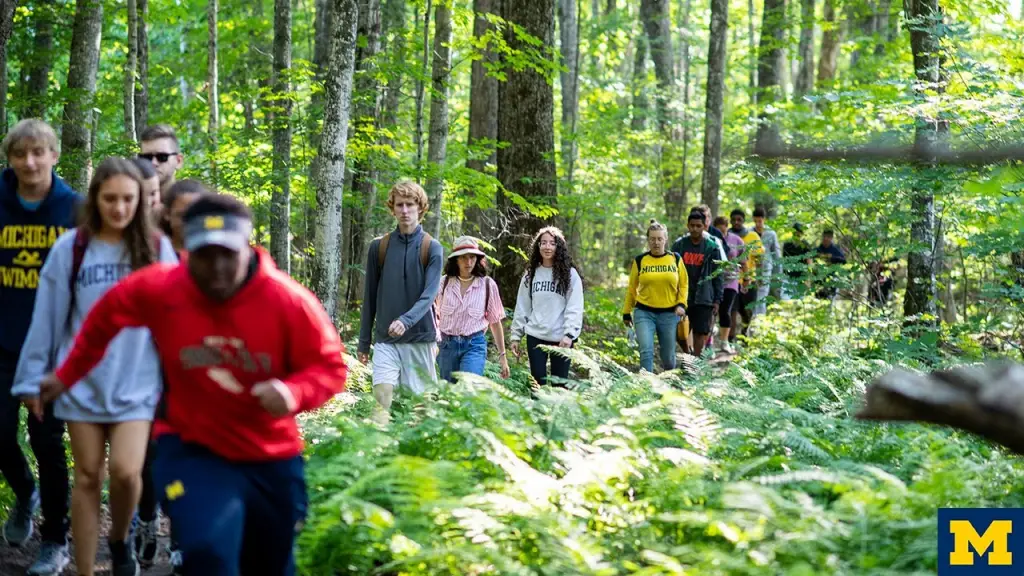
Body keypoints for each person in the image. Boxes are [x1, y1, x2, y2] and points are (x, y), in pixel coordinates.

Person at [35, 193, 348, 575]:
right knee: (208, 552)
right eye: (204, 254)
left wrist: (293, 392)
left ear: (247, 247)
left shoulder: (287, 301)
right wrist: (64, 375)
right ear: (187, 251)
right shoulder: (161, 288)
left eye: (226, 254)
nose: (216, 267)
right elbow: (104, 321)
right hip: (191, 449)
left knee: (272, 565)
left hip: (270, 457)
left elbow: (330, 367)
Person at [14, 158, 177, 576]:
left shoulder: (157, 248)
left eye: (127, 199)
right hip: (81, 382)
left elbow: (179, 316)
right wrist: (32, 379)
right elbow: (46, 319)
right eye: (110, 199)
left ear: (140, 201)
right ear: (95, 199)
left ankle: (120, 539)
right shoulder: (71, 248)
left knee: (126, 472)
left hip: (138, 381)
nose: (119, 208)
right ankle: (85, 570)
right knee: (87, 476)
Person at [0, 119, 78, 575]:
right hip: (3, 343)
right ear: (10, 157)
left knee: (47, 442)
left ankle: (55, 539)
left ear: (54, 156)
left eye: (38, 152)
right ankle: (24, 492)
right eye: (19, 153)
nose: (29, 162)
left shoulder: (75, 209)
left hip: (53, 348)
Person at [358, 181, 443, 424]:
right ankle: (378, 454)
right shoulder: (379, 247)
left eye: (410, 205)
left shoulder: (432, 247)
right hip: (386, 340)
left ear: (420, 208)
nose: (404, 210)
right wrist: (364, 342)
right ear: (392, 209)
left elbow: (429, 295)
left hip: (420, 339)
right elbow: (370, 297)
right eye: (399, 205)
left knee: (421, 410)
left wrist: (406, 321)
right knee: (381, 400)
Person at [509, 226, 584, 386]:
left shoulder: (570, 275)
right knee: (537, 385)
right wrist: (516, 335)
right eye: (543, 243)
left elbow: (575, 306)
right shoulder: (531, 274)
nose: (547, 247)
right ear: (538, 246)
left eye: (552, 243)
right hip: (535, 336)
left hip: (561, 338)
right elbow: (522, 306)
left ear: (559, 246)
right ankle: (537, 412)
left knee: (560, 386)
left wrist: (570, 334)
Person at [434, 236, 510, 382]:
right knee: (449, 394)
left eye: (472, 257)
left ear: (477, 259)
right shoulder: (443, 283)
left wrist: (503, 356)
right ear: (455, 259)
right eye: (463, 258)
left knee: (469, 388)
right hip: (446, 345)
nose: (468, 262)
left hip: (474, 345)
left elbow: (494, 321)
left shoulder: (487, 285)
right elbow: (432, 314)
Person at [622, 220, 688, 373]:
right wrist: (626, 312)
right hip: (644, 312)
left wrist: (681, 304)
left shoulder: (675, 259)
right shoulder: (640, 260)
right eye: (652, 239)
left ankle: (669, 386)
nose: (656, 242)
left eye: (659, 239)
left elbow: (684, 285)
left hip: (670, 314)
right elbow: (632, 288)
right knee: (646, 350)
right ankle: (647, 387)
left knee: (668, 357)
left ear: (665, 239)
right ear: (648, 240)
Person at [678, 212, 724, 357]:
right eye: (692, 225)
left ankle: (695, 365)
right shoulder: (679, 245)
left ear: (704, 226)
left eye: (698, 226)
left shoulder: (711, 247)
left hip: (704, 296)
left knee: (700, 332)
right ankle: (688, 352)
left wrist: (717, 299)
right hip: (682, 296)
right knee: (679, 332)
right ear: (688, 226)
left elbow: (718, 275)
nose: (695, 229)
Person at [728, 209, 762, 340]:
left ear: (743, 221)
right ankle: (731, 339)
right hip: (731, 280)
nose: (736, 222)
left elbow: (759, 258)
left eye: (739, 220)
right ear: (730, 220)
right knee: (732, 310)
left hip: (750, 279)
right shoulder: (726, 236)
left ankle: (744, 334)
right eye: (734, 220)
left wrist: (759, 277)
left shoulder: (753, 236)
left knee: (747, 312)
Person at [713, 216, 744, 354]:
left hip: (731, 281)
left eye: (722, 228)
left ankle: (724, 342)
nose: (720, 231)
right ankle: (709, 343)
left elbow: (743, 260)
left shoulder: (736, 240)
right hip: (714, 280)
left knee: (725, 310)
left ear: (727, 227)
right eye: (717, 229)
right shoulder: (711, 239)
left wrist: (747, 278)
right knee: (713, 311)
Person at [160, 179, 209, 255]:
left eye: (196, 215)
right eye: (183, 215)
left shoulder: (215, 253)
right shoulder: (156, 250)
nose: (190, 222)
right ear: (167, 214)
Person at [138, 124, 183, 198]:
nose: (153, 163)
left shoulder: (193, 205)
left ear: (178, 161)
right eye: (147, 157)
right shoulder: (130, 203)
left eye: (162, 157)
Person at [751, 207, 781, 316]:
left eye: (760, 221)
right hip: (752, 268)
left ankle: (759, 318)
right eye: (756, 221)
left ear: (764, 219)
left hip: (766, 269)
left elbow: (776, 254)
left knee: (762, 294)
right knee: (753, 294)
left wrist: (778, 273)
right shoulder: (750, 233)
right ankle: (752, 318)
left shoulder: (771, 234)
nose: (758, 224)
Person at [781, 222, 813, 299]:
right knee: (786, 300)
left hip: (801, 279)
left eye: (799, 233)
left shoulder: (806, 245)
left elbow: (809, 263)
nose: (798, 235)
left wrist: (808, 280)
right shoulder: (787, 245)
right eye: (796, 233)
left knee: (799, 302)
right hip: (788, 278)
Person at [815, 229, 847, 300]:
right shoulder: (817, 250)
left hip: (832, 280)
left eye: (828, 237)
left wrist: (832, 258)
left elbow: (844, 261)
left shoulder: (835, 250)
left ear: (831, 238)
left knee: (830, 300)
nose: (826, 238)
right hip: (818, 280)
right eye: (824, 236)